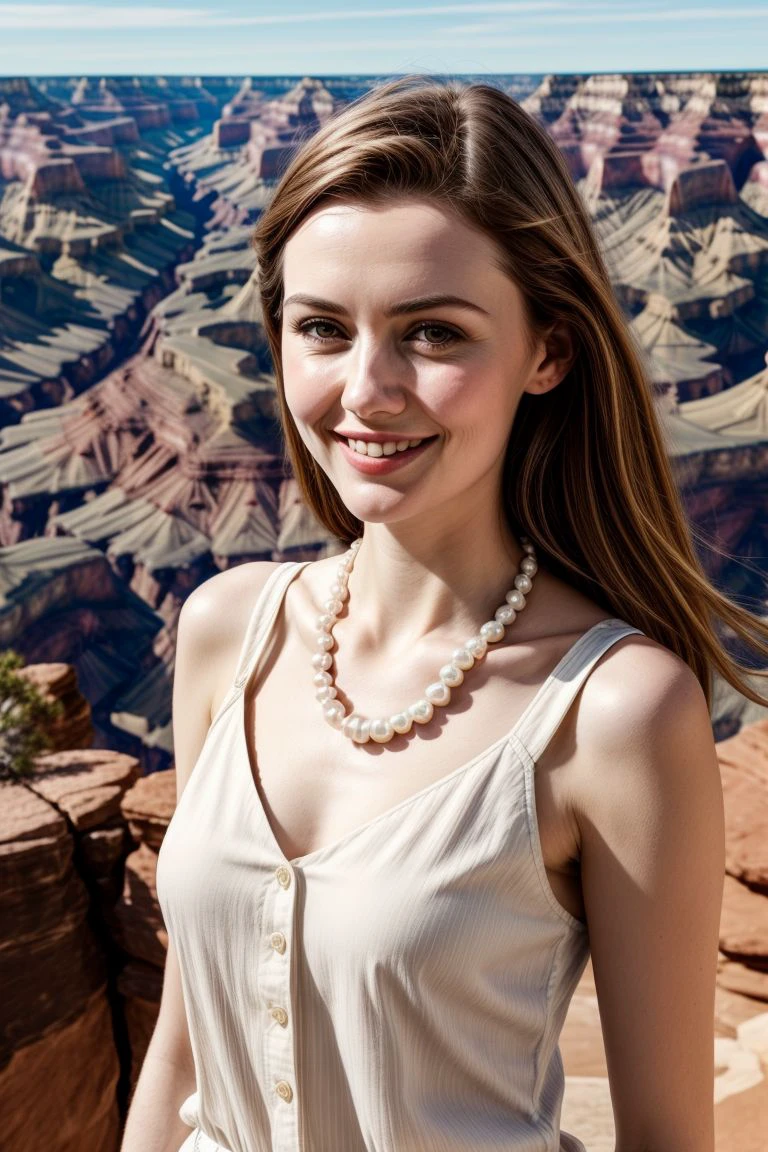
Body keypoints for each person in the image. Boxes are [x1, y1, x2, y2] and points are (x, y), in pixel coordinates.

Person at [122, 76, 768, 1152]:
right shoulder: (227, 631)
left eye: (432, 334)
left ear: (549, 353)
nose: (366, 389)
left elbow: (667, 1136)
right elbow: (185, 1047)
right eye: (322, 328)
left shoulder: (612, 714)